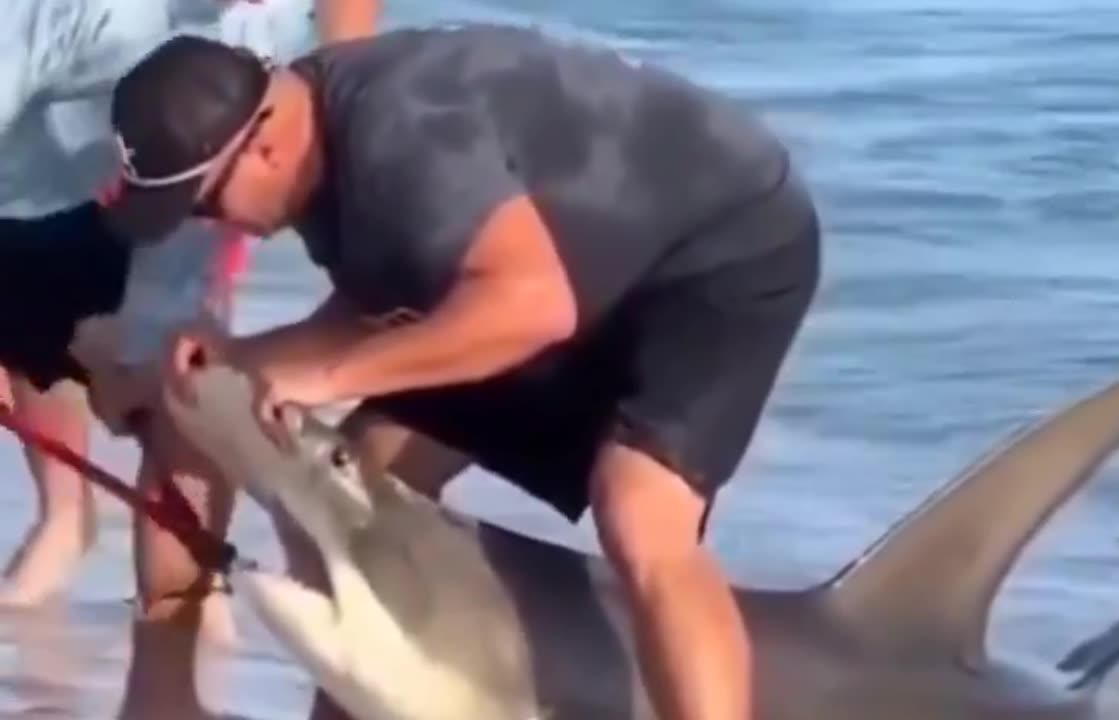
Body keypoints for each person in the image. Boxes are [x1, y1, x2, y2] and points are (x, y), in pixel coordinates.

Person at [100, 25, 820, 720]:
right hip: (566, 268)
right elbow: (394, 290)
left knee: (639, 512)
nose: (211, 224)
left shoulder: (399, 144)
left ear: (261, 146)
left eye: (204, 202)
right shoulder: (318, 136)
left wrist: (328, 377)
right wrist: (241, 363)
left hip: (718, 254)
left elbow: (531, 307)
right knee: (369, 479)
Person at [0, 0, 382, 626]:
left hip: (178, 179)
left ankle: (180, 611)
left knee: (180, 373)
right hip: (32, 172)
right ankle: (65, 519)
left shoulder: (270, 29)